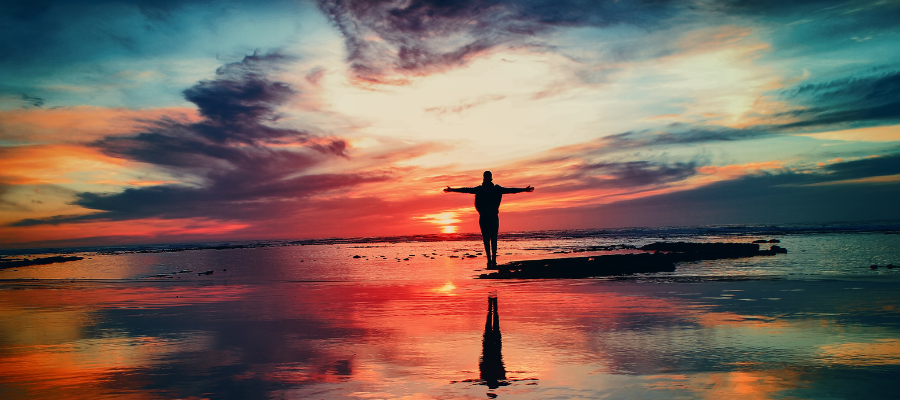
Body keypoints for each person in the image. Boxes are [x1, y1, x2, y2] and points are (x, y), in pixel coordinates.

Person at [444, 171, 534, 267]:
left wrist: (524, 189)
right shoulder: (490, 189)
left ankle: (491, 260)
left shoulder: (487, 189)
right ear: (490, 178)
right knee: (490, 238)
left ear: (485, 178)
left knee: (489, 238)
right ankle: (491, 259)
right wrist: (452, 189)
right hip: (489, 217)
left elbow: (511, 190)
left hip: (488, 217)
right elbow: (466, 190)